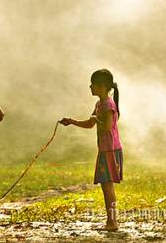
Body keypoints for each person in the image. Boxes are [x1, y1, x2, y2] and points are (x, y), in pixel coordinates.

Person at [60, 68, 122, 231]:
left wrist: (96, 120)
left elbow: (106, 127)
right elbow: (90, 123)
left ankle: (112, 222)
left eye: (92, 84)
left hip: (109, 150)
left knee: (107, 185)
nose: (90, 87)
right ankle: (112, 221)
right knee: (106, 185)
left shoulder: (108, 104)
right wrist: (72, 121)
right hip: (106, 149)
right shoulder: (99, 104)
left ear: (101, 86)